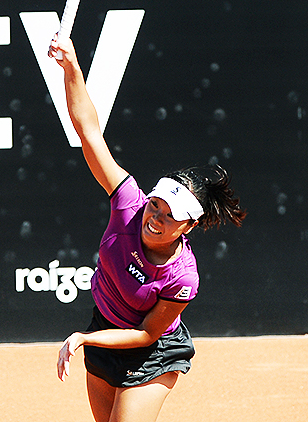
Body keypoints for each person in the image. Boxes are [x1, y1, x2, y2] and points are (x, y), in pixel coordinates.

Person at [49, 34, 246, 422]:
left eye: (169, 214)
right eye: (155, 204)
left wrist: (84, 337)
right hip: (105, 332)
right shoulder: (127, 204)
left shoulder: (182, 276)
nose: (155, 217)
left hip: (152, 350)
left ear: (188, 225)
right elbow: (89, 131)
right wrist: (72, 68)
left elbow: (144, 335)